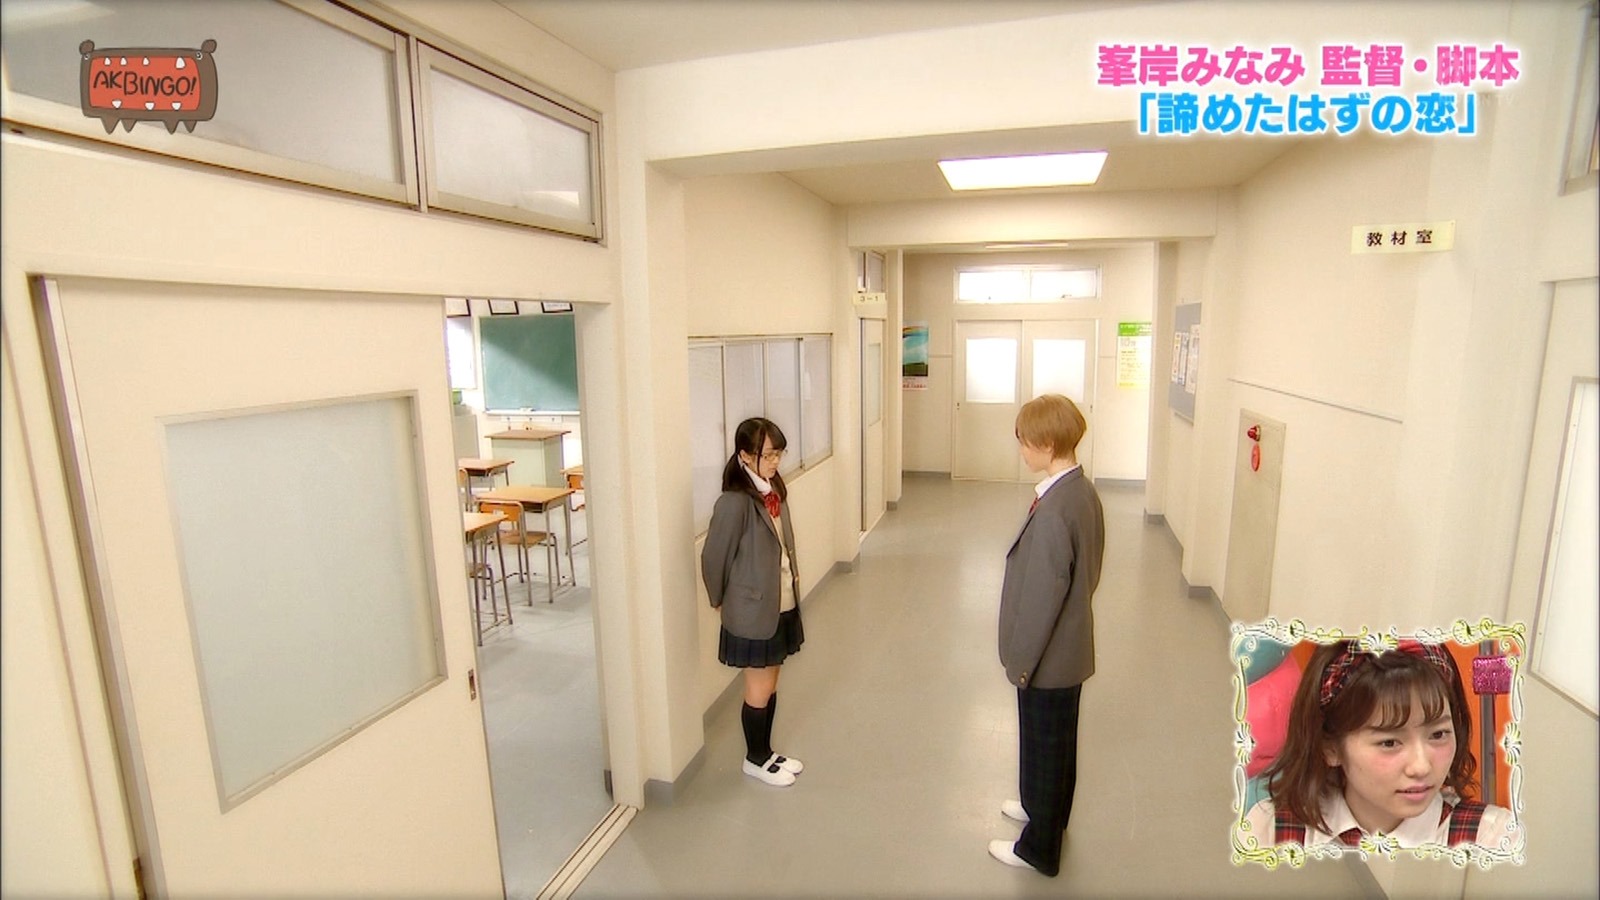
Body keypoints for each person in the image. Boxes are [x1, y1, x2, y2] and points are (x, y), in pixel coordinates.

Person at [1242, 640, 1516, 850]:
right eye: (1389, 742)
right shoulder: (1270, 829)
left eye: (1438, 735)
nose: (1421, 766)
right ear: (1331, 747)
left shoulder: (1492, 836)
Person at [990, 394, 1104, 876]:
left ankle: (1038, 849)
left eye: (1025, 441)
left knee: (1046, 746)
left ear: (1048, 444)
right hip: (1067, 649)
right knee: (1054, 745)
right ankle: (1042, 811)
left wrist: (1021, 662)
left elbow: (1042, 600)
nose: (1021, 450)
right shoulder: (1079, 491)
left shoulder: (1057, 509)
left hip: (1048, 657)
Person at [701, 417, 806, 787]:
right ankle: (755, 759)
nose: (775, 461)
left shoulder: (772, 488)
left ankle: (766, 752)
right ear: (745, 456)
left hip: (781, 602)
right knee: (758, 689)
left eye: (779, 454)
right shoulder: (734, 502)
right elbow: (713, 557)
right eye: (768, 455)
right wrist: (719, 600)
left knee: (771, 682)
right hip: (753, 611)